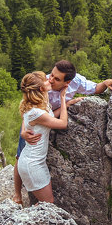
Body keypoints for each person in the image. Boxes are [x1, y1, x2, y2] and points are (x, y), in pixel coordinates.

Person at [13, 60, 112, 204]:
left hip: (49, 118)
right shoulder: (42, 84)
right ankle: (17, 195)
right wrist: (23, 131)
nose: (50, 79)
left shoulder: (76, 81)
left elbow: (95, 88)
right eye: (51, 74)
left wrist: (105, 83)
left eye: (56, 79)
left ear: (67, 82)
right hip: (34, 125)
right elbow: (27, 107)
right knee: (20, 157)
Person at [14, 71, 68, 204]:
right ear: (41, 88)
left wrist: (69, 104)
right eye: (46, 79)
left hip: (35, 161)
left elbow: (49, 118)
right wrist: (63, 99)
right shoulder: (36, 112)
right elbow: (62, 123)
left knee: (46, 203)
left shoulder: (36, 105)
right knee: (48, 203)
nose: (49, 79)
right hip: (32, 164)